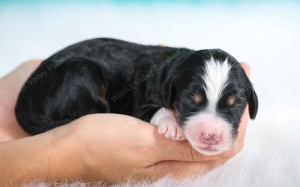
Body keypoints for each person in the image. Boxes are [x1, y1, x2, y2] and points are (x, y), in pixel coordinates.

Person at [0, 60, 250, 185]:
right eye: (192, 102)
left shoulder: (176, 73)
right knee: (86, 76)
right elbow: (146, 102)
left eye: (230, 108)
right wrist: (70, 152)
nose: (212, 131)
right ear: (170, 92)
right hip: (65, 82)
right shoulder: (166, 80)